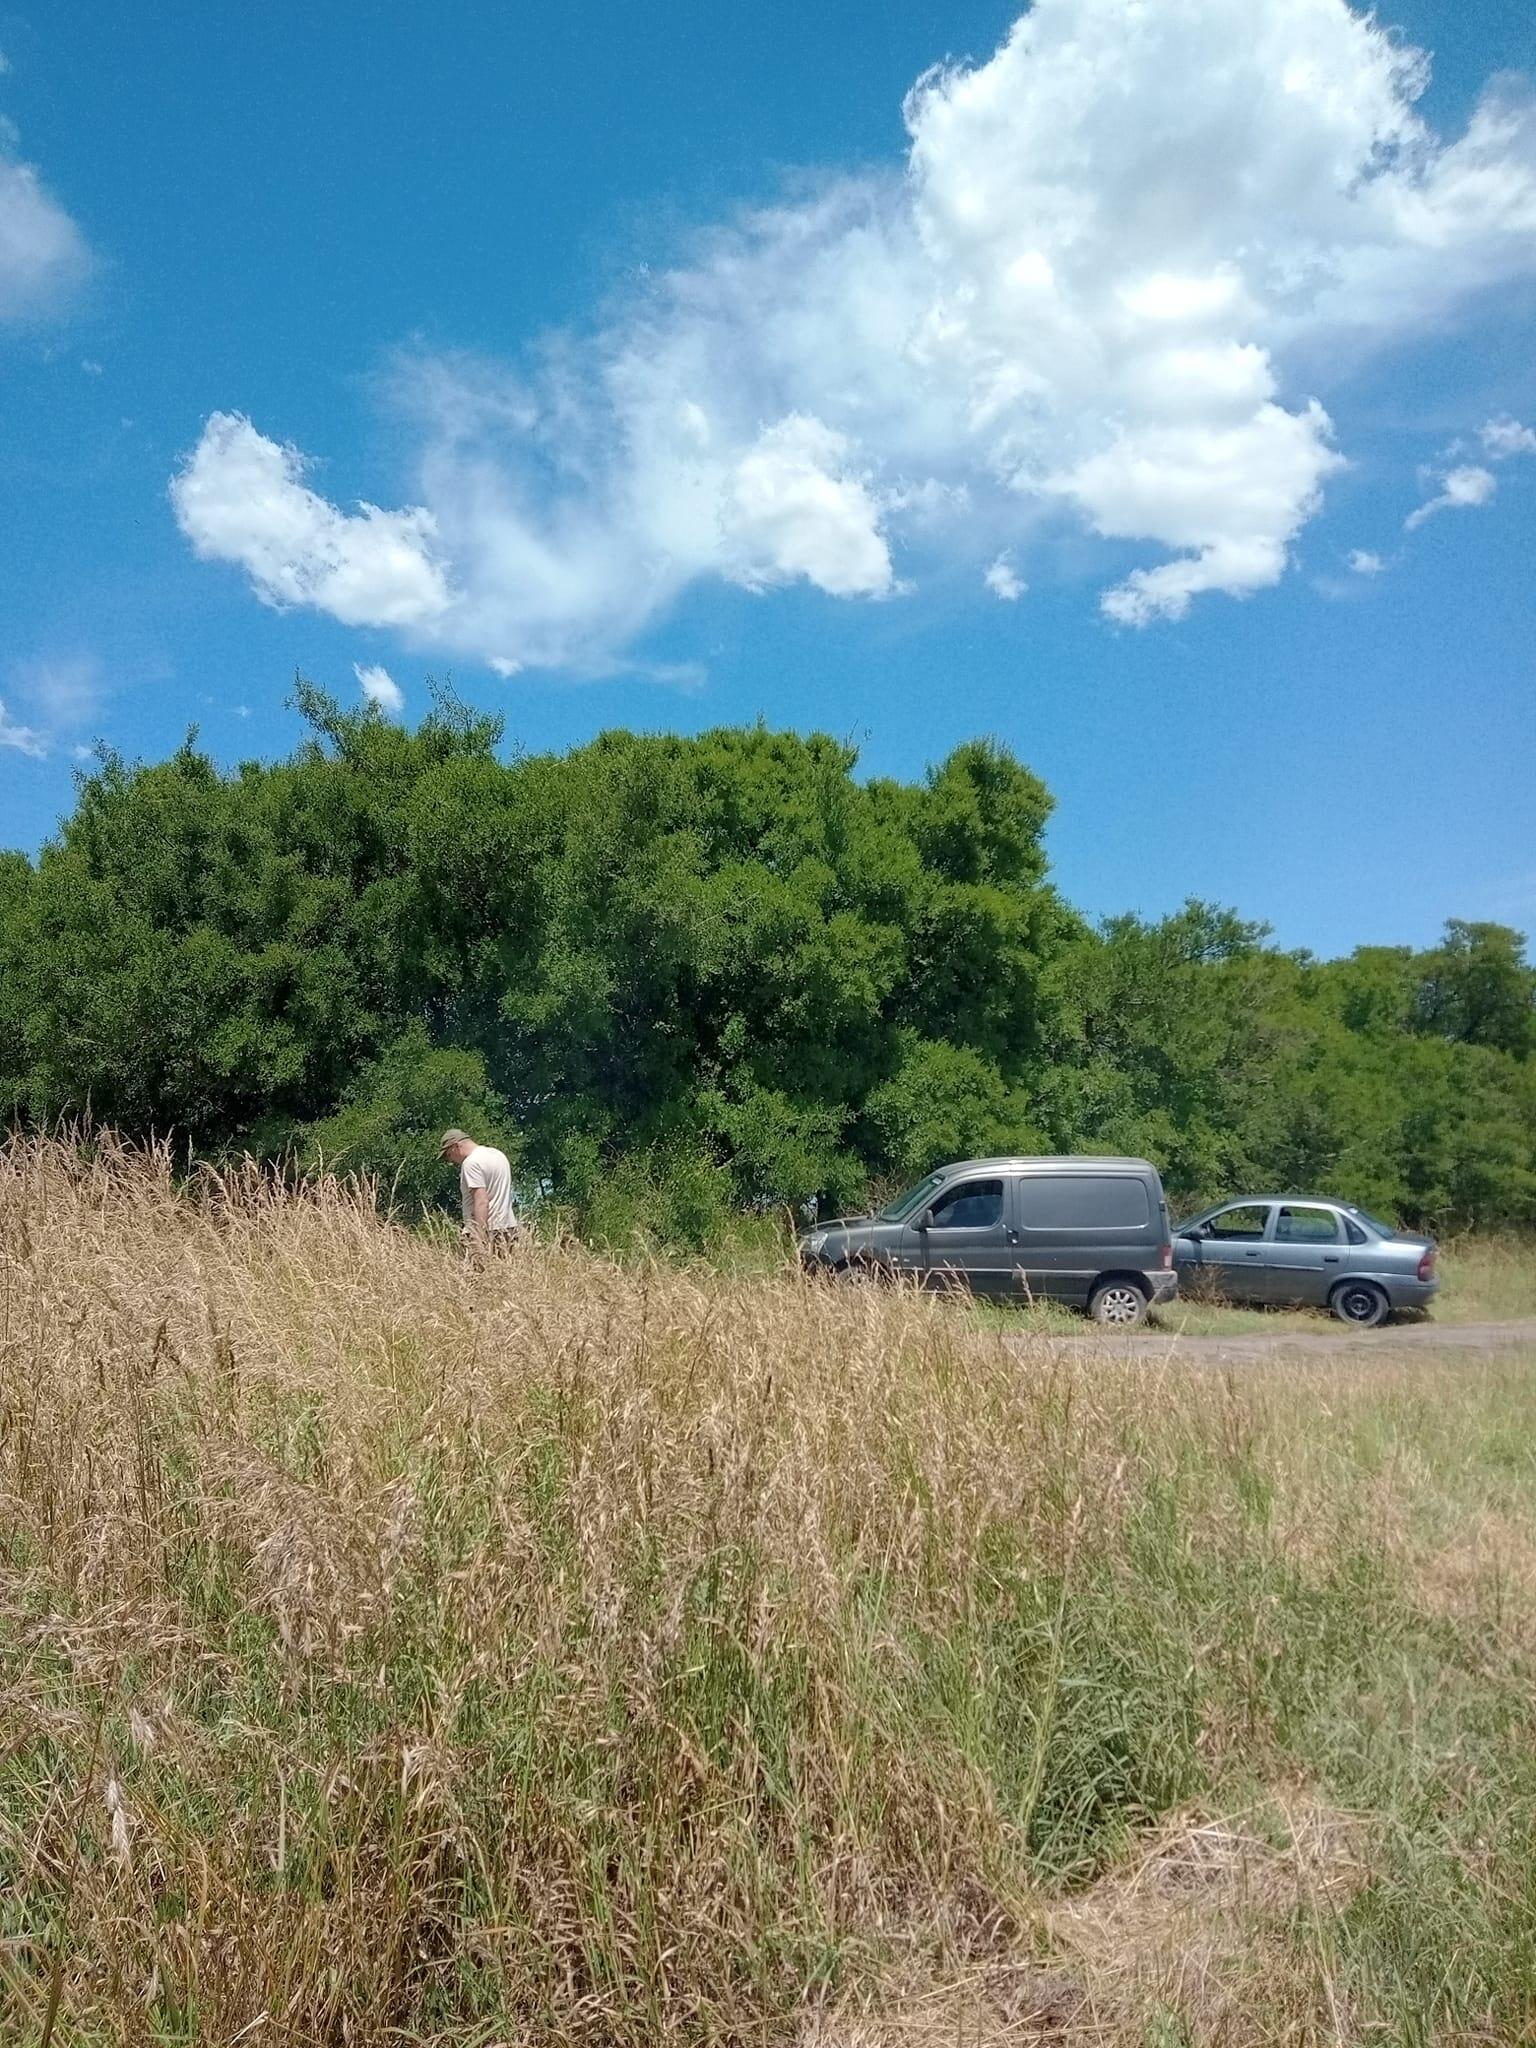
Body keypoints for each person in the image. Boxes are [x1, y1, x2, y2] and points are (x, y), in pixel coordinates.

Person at [439, 1129, 519, 1251]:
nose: (450, 1161)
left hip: (489, 1230)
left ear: (456, 1146)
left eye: (449, 1155)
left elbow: (482, 1201)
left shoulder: (471, 1163)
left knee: (480, 1270)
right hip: (509, 1227)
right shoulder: (498, 1155)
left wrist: (478, 1237)